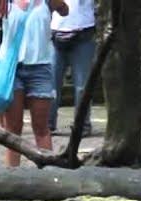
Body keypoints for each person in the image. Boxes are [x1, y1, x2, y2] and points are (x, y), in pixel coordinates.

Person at [0, 0, 68, 166]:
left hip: (40, 68)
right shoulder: (7, 2)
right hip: (12, 69)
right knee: (13, 129)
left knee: (41, 126)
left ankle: (49, 177)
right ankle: (12, 178)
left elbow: (65, 11)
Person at [49, 0, 94, 135]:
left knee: (82, 86)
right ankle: (48, 124)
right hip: (56, 31)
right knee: (51, 84)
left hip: (83, 31)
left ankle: (82, 125)